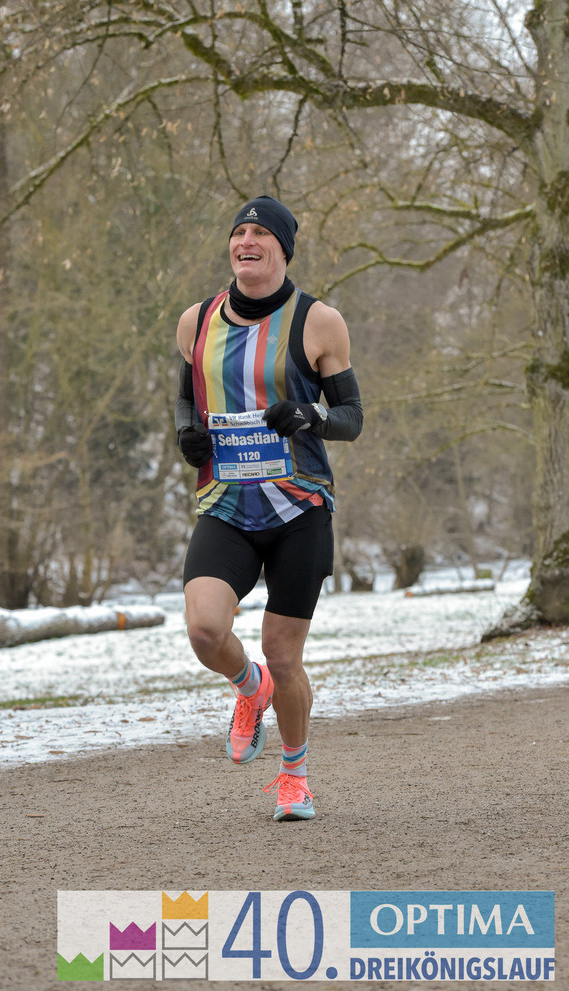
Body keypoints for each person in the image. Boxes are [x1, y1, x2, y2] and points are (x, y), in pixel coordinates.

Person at [175, 195, 363, 821]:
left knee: (285, 655)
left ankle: (294, 776)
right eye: (239, 232)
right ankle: (249, 688)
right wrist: (187, 437)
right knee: (204, 629)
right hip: (226, 503)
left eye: (261, 233)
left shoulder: (319, 322)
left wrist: (309, 413)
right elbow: (187, 398)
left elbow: (351, 418)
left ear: (284, 249)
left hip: (299, 508)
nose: (247, 241)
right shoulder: (195, 321)